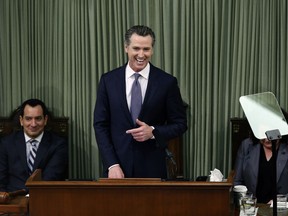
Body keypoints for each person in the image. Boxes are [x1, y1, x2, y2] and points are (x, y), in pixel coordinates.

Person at [93, 25, 187, 179]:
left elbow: (180, 124)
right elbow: (100, 125)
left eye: (146, 49)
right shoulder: (108, 80)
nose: (141, 55)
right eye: (136, 48)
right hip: (117, 169)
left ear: (152, 50)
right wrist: (111, 164)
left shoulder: (167, 82)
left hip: (152, 169)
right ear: (126, 48)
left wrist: (153, 132)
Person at [0, 99, 68, 192]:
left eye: (38, 118)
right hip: (13, 199)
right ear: (21, 120)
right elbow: (1, 180)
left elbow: (51, 178)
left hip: (44, 197)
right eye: (28, 119)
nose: (33, 124)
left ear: (45, 120)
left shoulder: (58, 144)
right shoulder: (6, 143)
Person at [234, 136, 288, 203]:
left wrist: (280, 200)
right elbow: (237, 181)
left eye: (270, 135)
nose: (267, 139)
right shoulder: (246, 145)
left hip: (281, 208)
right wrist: (244, 201)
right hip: (250, 206)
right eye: (263, 135)